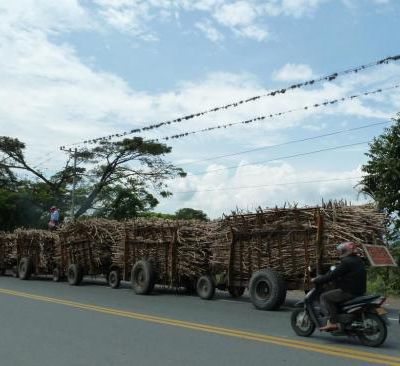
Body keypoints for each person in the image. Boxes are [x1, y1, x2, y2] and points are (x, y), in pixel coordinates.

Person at [312, 242, 366, 331]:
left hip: (349, 291)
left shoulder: (346, 262)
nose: (340, 253)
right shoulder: (358, 260)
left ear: (345, 251)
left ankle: (333, 323)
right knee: (334, 295)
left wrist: (316, 280)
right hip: (360, 290)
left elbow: (332, 276)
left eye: (341, 251)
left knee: (325, 297)